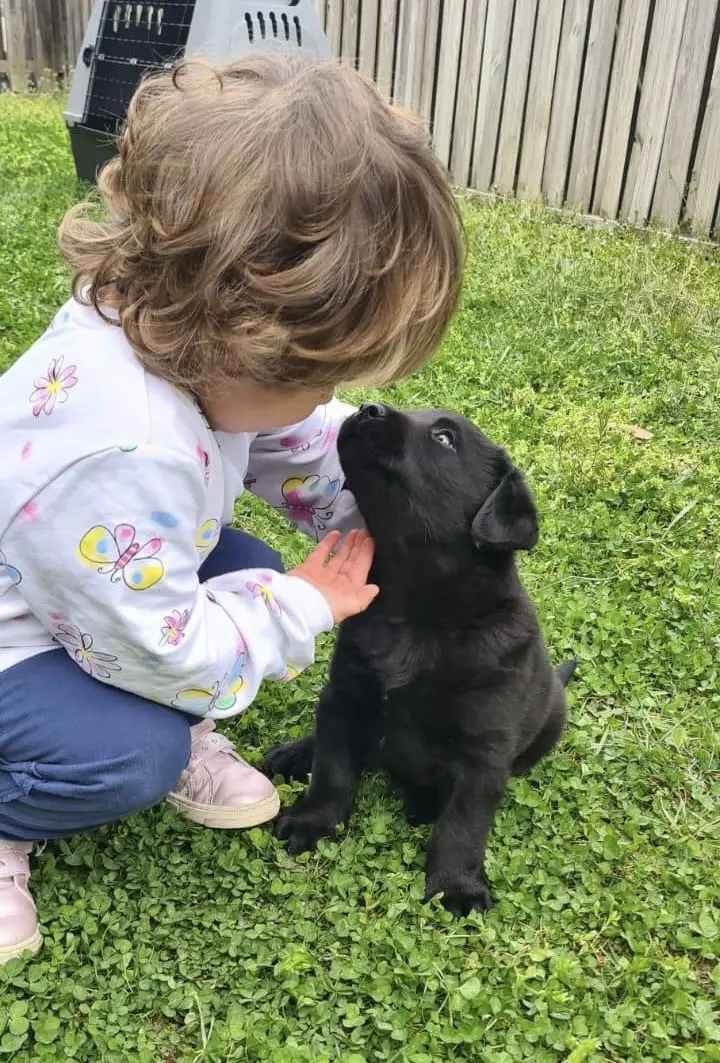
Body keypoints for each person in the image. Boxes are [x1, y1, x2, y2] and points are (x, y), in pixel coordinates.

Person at [0, 54, 464, 962]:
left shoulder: (155, 323)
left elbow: (286, 440)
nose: (324, 395)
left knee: (242, 564)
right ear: (236, 341)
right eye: (316, 375)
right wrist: (301, 606)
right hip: (21, 641)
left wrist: (378, 515)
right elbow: (163, 648)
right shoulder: (126, 451)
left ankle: (177, 718)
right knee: (130, 754)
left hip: (81, 586)